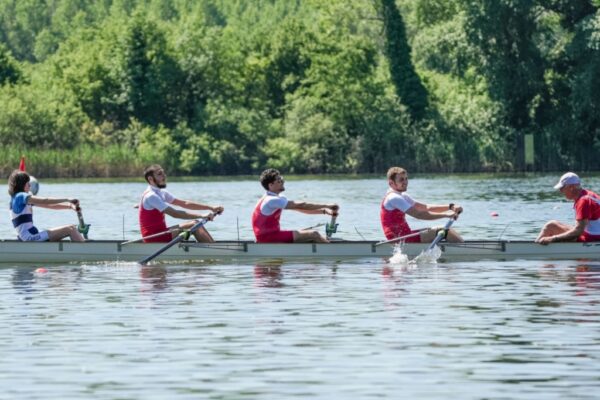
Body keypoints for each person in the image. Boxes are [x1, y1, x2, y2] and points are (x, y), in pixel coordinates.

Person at [139, 164, 224, 243]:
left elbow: (185, 203)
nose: (164, 176)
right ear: (150, 179)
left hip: (161, 233)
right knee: (194, 224)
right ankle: (214, 249)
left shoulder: (162, 193)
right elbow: (175, 213)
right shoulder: (151, 196)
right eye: (160, 174)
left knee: (194, 225)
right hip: (153, 237)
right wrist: (202, 215)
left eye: (163, 173)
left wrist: (211, 208)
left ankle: (208, 246)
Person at [252, 169, 339, 243]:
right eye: (279, 181)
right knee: (314, 234)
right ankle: (333, 253)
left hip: (271, 235)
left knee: (307, 235)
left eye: (281, 179)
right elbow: (302, 205)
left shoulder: (278, 198)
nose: (282, 182)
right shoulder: (271, 200)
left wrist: (324, 211)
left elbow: (299, 208)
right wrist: (327, 205)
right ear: (271, 185)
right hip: (267, 237)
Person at [381, 167, 463, 243]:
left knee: (446, 230)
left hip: (405, 235)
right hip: (399, 239)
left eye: (406, 178)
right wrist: (446, 215)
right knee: (445, 231)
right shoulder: (394, 198)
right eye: (401, 180)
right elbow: (419, 214)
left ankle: (462, 248)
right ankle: (464, 251)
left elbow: (425, 208)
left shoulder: (403, 196)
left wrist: (450, 207)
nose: (405, 182)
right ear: (391, 183)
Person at [8, 170, 85, 242]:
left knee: (71, 228)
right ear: (22, 184)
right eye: (28, 183)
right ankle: (84, 249)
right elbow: (45, 200)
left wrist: (70, 206)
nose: (30, 185)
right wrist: (67, 199)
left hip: (30, 236)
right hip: (29, 238)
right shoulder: (20, 196)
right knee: (71, 229)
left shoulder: (17, 198)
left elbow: (49, 205)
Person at [536, 172, 600, 244]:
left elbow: (578, 231)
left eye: (562, 188)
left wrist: (553, 238)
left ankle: (534, 248)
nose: (560, 191)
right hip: (595, 235)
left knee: (551, 226)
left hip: (593, 238)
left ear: (571, 187)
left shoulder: (583, 201)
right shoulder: (590, 195)